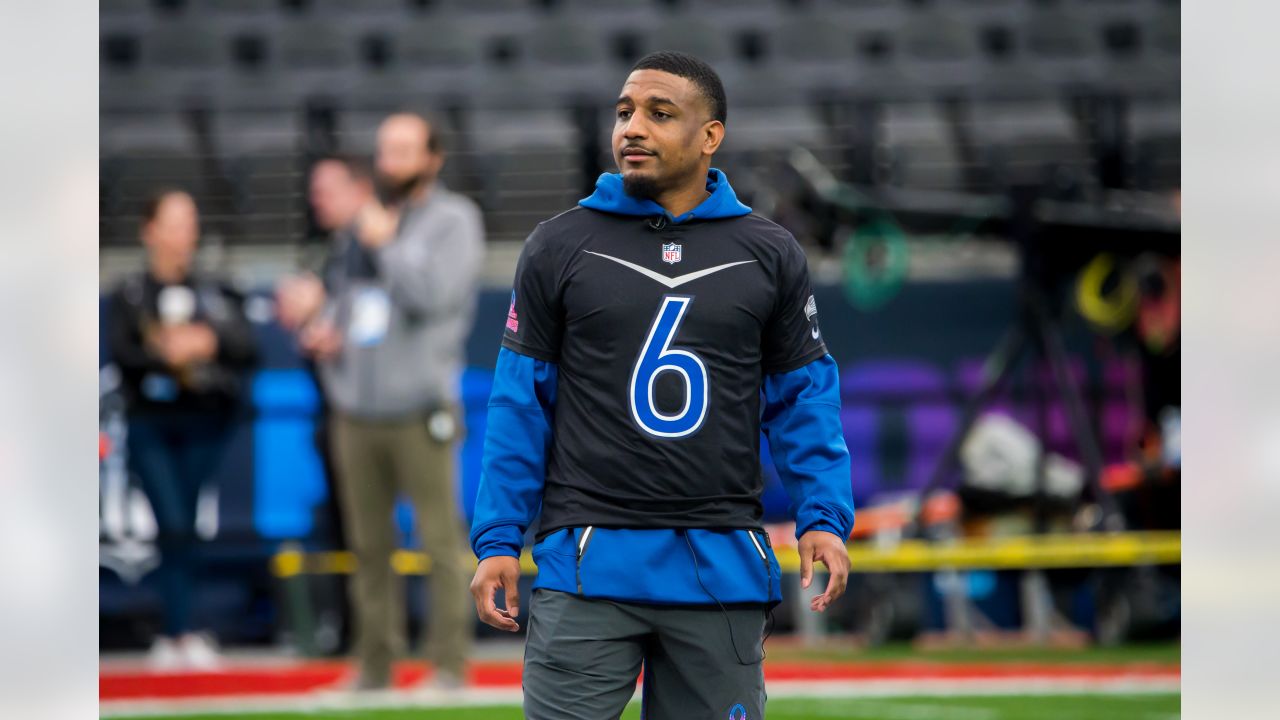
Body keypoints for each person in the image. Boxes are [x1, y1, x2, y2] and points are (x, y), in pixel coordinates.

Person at [469, 52, 856, 719]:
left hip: (720, 566)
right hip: (587, 567)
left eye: (659, 113)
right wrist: (499, 538)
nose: (633, 128)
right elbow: (518, 404)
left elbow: (803, 397)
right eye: (624, 113)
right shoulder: (558, 246)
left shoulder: (768, 251)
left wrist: (824, 514)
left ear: (711, 136)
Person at [295, 116, 484, 691]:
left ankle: (448, 663)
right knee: (368, 546)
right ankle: (374, 663)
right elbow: (354, 299)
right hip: (357, 410)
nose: (392, 162)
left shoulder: (454, 221)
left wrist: (386, 244)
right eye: (385, 151)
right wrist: (328, 327)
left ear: (434, 157)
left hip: (421, 404)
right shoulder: (369, 222)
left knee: (438, 542)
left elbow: (433, 297)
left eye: (404, 151)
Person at [107, 189, 257, 670]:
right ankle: (173, 629)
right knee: (171, 523)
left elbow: (247, 349)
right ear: (149, 230)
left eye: (189, 222)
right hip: (152, 422)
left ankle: (182, 628)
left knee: (187, 524)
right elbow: (123, 355)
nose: (183, 234)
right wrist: (162, 353)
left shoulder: (215, 289)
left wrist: (207, 341)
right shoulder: (130, 291)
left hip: (205, 421)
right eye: (173, 222)